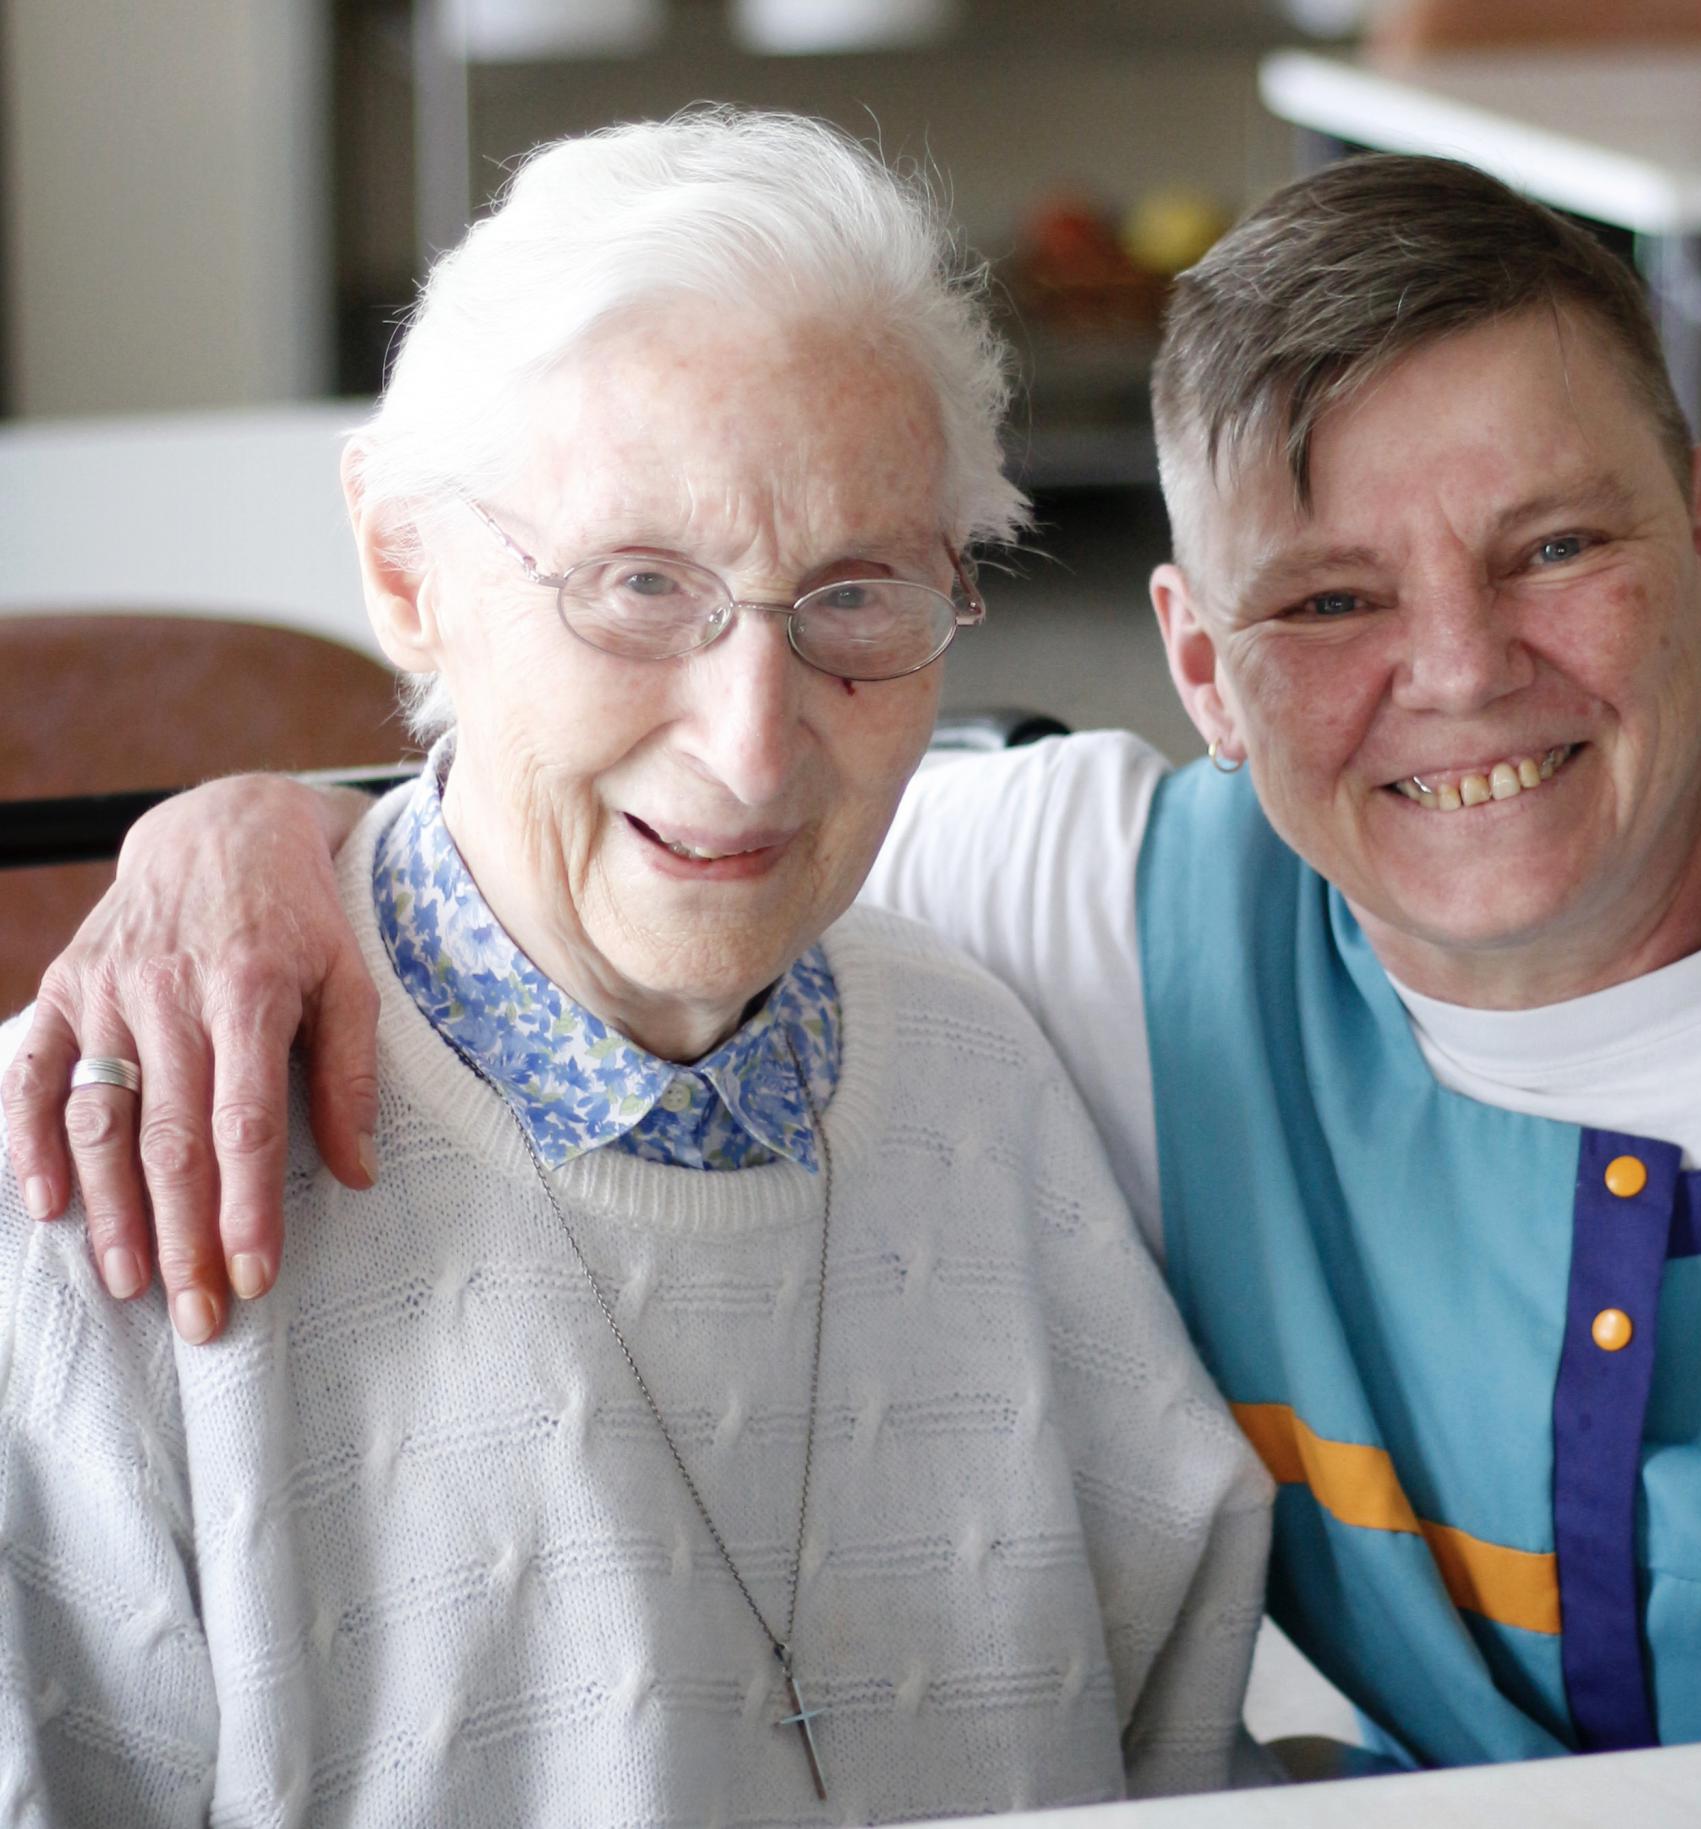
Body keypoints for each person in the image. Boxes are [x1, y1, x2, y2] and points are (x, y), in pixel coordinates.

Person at [10, 150, 1701, 1770]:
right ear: (1199, 668)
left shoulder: (978, 1010)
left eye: (1558, 546)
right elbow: (572, 859)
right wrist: (239, 827)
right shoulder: (1088, 916)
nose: (755, 737)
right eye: (1325, 596)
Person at [0, 111, 1274, 1824]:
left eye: (855, 596)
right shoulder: (100, 1197)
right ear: (405, 568)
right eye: (638, 587)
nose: (753, 751)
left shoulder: (990, 1069)